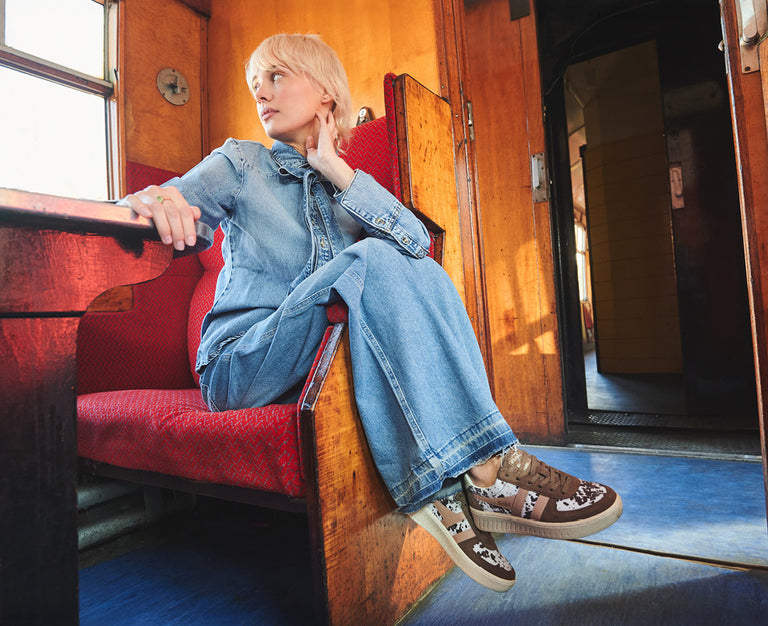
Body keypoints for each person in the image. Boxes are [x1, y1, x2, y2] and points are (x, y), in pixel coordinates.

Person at [120, 33, 622, 593]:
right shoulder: (240, 162)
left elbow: (416, 244)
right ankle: (489, 466)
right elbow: (174, 199)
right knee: (372, 257)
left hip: (314, 368)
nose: (261, 90)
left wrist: (335, 169)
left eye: (277, 76)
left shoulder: (352, 190)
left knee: (402, 259)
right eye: (255, 82)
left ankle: (451, 485)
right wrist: (151, 201)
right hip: (241, 364)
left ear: (326, 96)